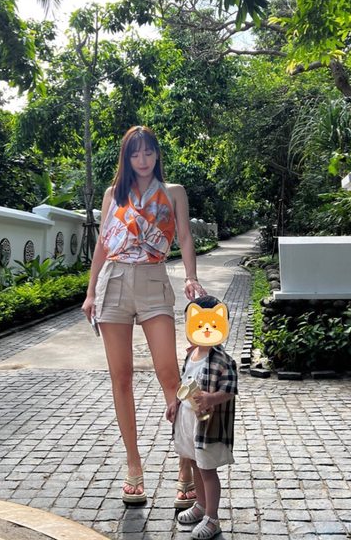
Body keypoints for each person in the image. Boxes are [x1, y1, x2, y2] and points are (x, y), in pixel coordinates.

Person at [81, 125, 205, 505]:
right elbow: (103, 246)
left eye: (148, 152)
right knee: (121, 377)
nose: (143, 160)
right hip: (114, 283)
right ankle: (133, 465)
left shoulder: (173, 192)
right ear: (126, 157)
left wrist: (191, 277)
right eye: (135, 153)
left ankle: (184, 465)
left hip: (154, 281)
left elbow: (184, 236)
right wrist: (90, 292)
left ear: (156, 154)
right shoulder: (112, 195)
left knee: (169, 374)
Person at [166, 295, 238, 539]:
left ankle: (212, 517)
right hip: (188, 421)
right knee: (194, 463)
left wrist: (211, 398)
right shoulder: (191, 355)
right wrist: (174, 403)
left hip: (209, 425)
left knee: (207, 470)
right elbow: (184, 382)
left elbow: (230, 390)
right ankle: (200, 505)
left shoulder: (223, 361)